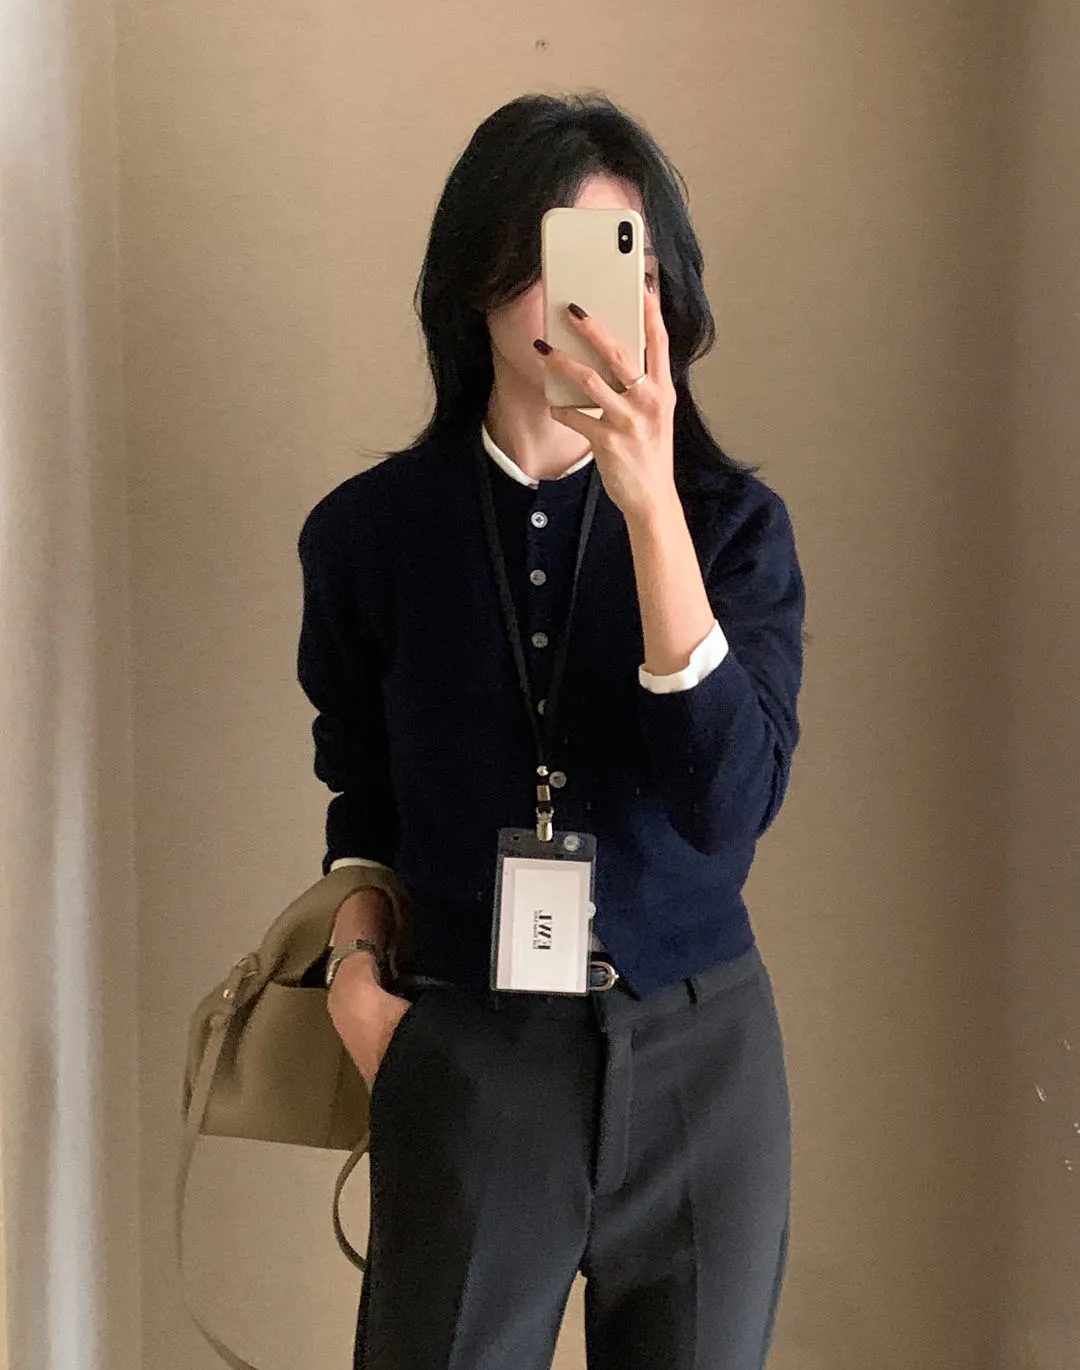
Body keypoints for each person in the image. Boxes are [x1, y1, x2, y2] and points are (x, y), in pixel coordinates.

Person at [296, 90, 806, 1370]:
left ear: (664, 293)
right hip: (470, 1050)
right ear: (476, 278)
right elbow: (361, 791)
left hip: (701, 1062)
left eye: (620, 261)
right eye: (549, 256)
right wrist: (354, 974)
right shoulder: (368, 536)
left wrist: (651, 510)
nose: (583, 302)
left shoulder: (730, 529)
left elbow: (726, 808)